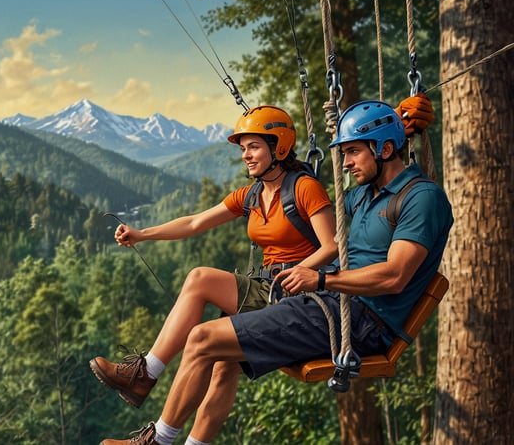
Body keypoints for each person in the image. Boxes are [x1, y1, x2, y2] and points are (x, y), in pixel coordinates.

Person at [98, 94, 454, 445]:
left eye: (352, 152)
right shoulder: (364, 193)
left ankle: (156, 439)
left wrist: (318, 276)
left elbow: (394, 276)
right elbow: (198, 222)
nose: (344, 164)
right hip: (328, 302)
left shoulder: (421, 198)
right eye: (344, 153)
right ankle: (152, 396)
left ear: (385, 150)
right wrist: (398, 122)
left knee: (203, 339)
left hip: (359, 321)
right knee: (216, 347)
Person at [90, 105, 338, 440]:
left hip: (296, 295)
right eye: (243, 149)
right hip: (267, 287)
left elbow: (332, 246)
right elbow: (194, 222)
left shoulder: (305, 188)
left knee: (199, 279)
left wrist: (299, 270)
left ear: (278, 146)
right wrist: (142, 234)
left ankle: (146, 377)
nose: (246, 156)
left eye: (253, 147)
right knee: (223, 366)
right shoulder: (251, 194)